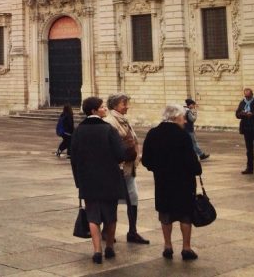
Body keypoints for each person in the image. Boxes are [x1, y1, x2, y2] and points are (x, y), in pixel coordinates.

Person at [70, 96, 128, 264]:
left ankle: (97, 250)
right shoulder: (108, 129)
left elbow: (74, 158)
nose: (105, 109)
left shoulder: (79, 131)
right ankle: (109, 247)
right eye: (102, 107)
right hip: (110, 178)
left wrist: (78, 181)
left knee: (93, 216)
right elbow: (120, 154)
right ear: (94, 111)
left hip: (88, 180)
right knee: (111, 214)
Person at [141, 104, 202, 261]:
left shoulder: (153, 133)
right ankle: (186, 248)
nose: (185, 122)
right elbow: (191, 160)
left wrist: (157, 168)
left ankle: (167, 246)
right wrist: (197, 170)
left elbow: (146, 159)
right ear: (175, 118)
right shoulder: (182, 136)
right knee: (185, 214)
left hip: (163, 180)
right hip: (184, 181)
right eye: (182, 118)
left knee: (165, 213)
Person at [104, 93, 150, 245]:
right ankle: (107, 231)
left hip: (130, 168)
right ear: (115, 106)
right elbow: (113, 144)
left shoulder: (123, 120)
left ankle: (132, 231)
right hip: (118, 168)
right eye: (124, 103)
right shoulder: (110, 121)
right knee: (112, 199)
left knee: (133, 197)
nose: (127, 106)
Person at [236, 87, 254, 175]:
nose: (247, 98)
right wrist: (243, 114)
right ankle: (249, 168)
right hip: (246, 129)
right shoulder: (242, 103)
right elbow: (237, 114)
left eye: (249, 96)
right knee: (249, 150)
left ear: (252, 94)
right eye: (246, 96)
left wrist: (252, 114)